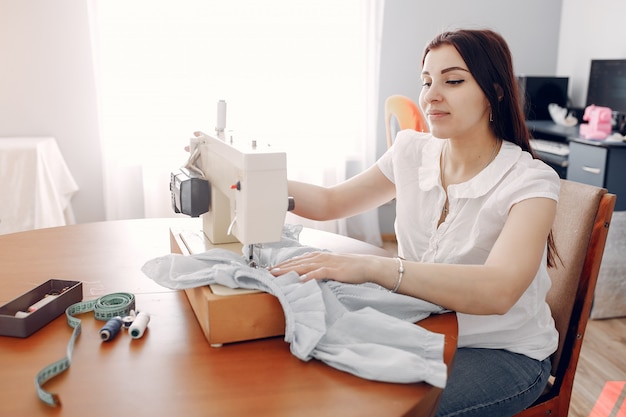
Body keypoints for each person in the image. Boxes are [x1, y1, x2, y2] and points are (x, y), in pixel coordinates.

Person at [270, 28, 560, 417]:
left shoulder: (531, 181)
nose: (431, 95)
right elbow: (330, 201)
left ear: (497, 90)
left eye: (453, 81)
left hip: (502, 351)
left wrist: (374, 268)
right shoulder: (411, 150)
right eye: (426, 81)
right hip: (422, 327)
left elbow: (499, 290)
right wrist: (252, 173)